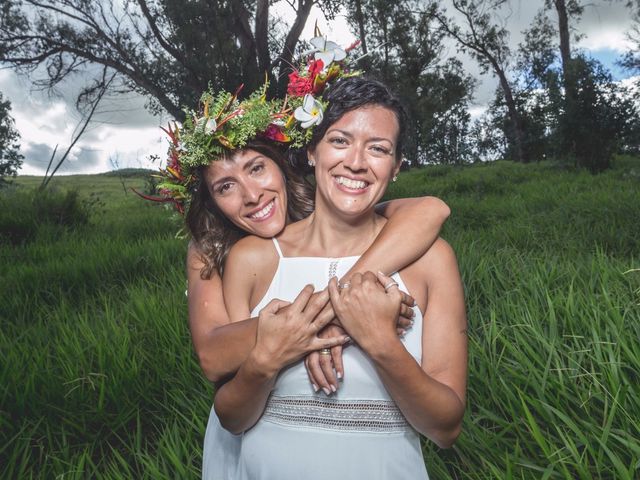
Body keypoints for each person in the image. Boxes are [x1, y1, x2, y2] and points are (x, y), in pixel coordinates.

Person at [209, 77, 468, 479]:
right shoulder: (254, 258)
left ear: (396, 167)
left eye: (378, 149)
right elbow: (231, 418)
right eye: (340, 141)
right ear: (312, 151)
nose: (357, 163)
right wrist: (268, 357)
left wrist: (380, 340)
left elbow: (446, 428)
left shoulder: (431, 259)